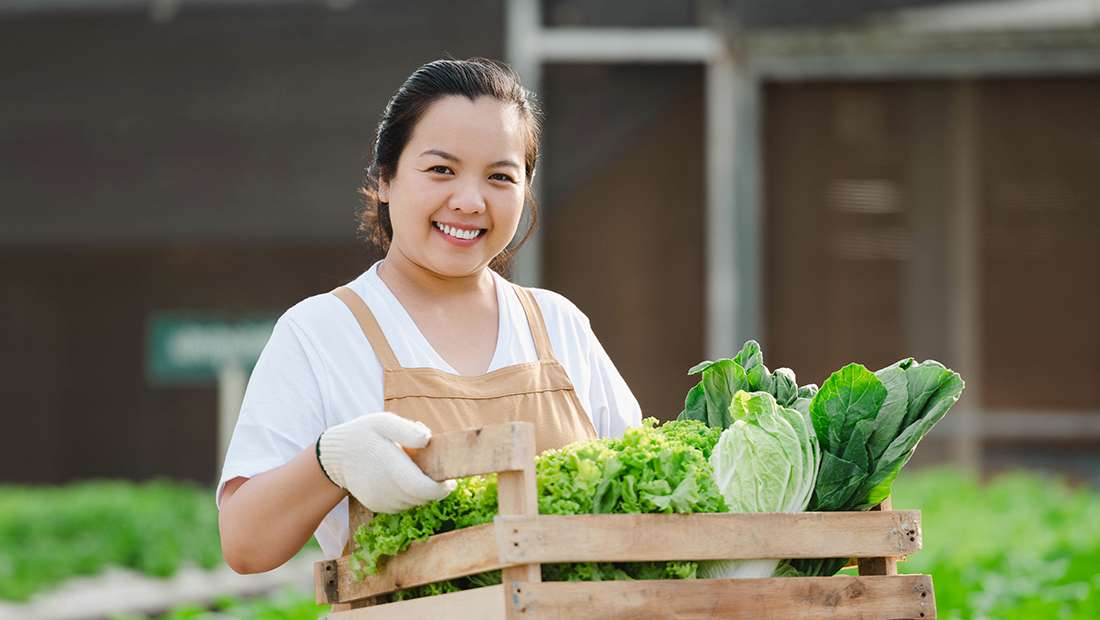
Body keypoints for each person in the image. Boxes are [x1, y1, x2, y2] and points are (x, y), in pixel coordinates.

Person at [216, 58, 642, 574]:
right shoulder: (321, 333)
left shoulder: (559, 325)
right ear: (385, 180)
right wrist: (332, 461)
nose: (468, 200)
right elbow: (244, 544)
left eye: (499, 177)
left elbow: (639, 501)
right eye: (441, 169)